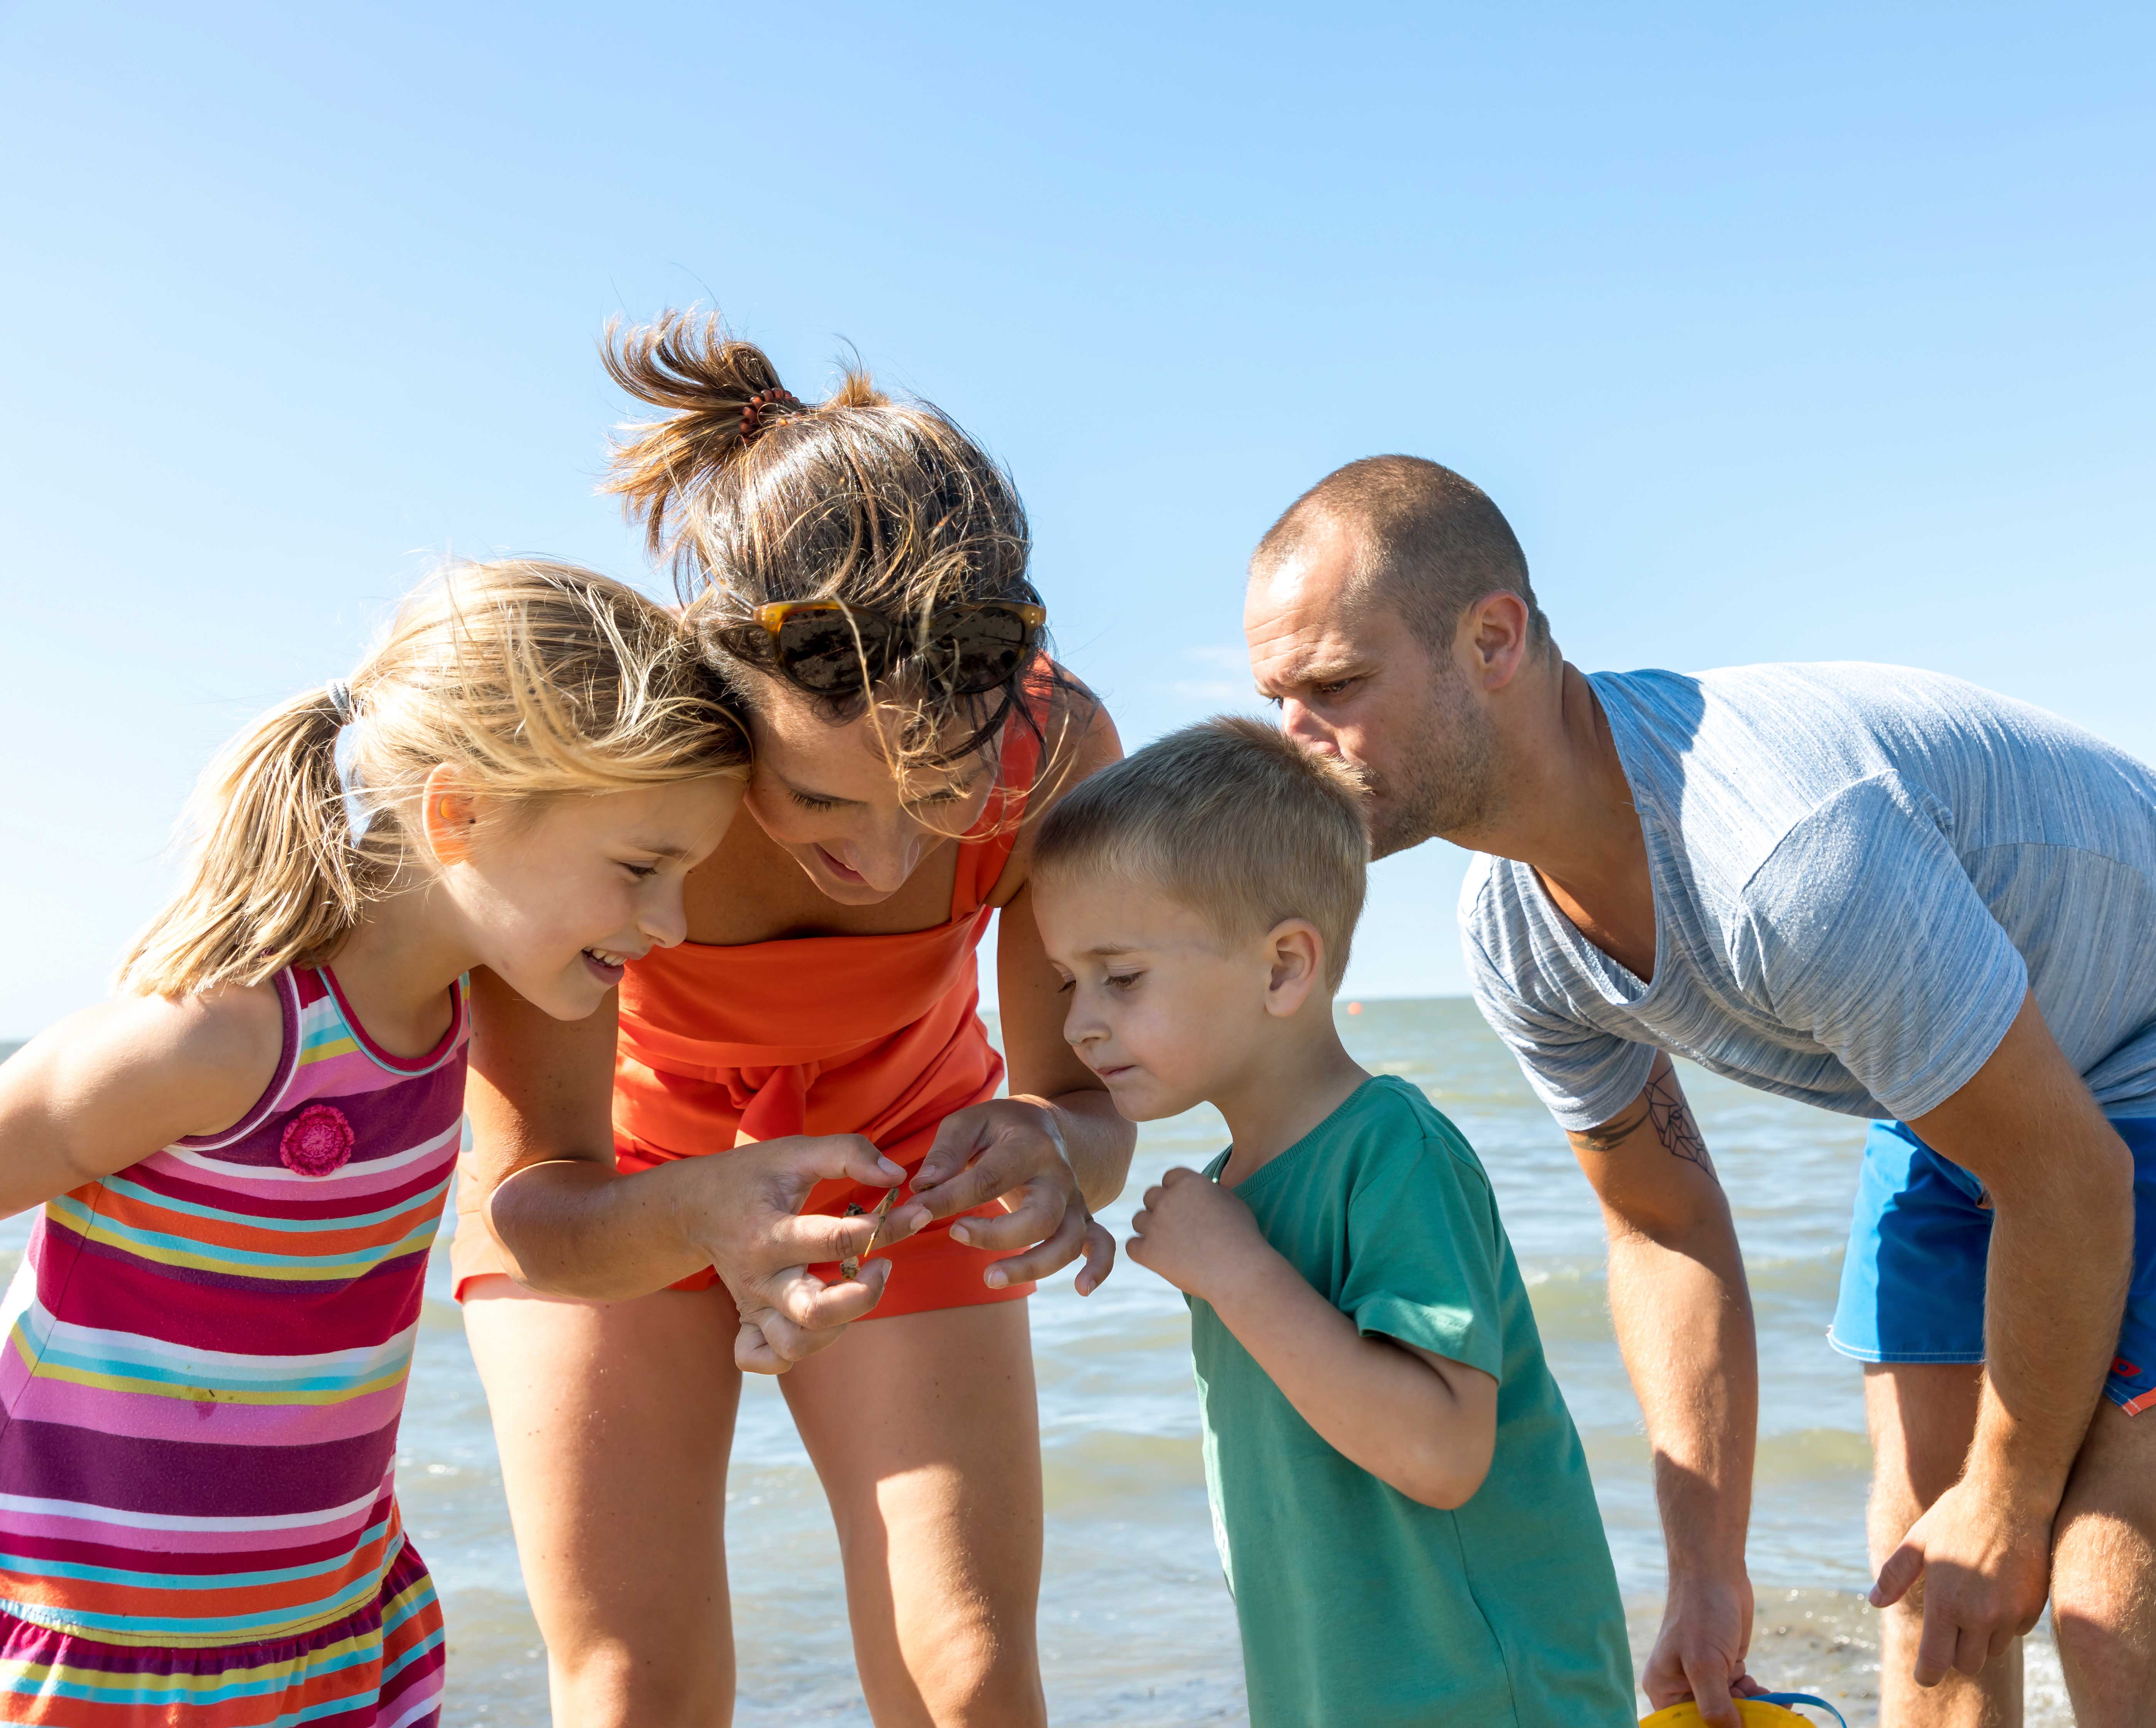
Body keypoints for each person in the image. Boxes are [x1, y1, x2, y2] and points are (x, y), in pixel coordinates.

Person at [1242, 456, 2156, 1728]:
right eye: (1278, 697)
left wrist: (2011, 1492)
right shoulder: (1516, 931)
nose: (1298, 740)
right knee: (1924, 1585)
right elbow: (1662, 1228)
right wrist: (1707, 1569)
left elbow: (2066, 1177)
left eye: (1335, 686)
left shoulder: (1788, 857)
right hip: (1970, 1080)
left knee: (2105, 1597)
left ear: (1494, 638)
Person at [451, 313, 1133, 1727]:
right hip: (613, 1183)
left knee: (971, 1677)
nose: (886, 860)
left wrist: (1059, 1154)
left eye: (937, 798)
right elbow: (528, 1201)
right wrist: (700, 1215)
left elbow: (1082, 1108)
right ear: (723, 701)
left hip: (903, 1155)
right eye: (823, 801)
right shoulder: (615, 770)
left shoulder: (1059, 749)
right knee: (636, 1686)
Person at [0, 561, 750, 1728]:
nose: (672, 925)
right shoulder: (214, 1038)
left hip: (326, 1627)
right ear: (459, 814)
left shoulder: (454, 1024)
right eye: (642, 869)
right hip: (113, 1651)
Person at [1028, 717, 1637, 1728]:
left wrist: (1240, 1276)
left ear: (1282, 970)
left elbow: (1442, 1454)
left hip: (1490, 1697)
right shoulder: (1234, 1188)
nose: (1080, 1022)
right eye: (1067, 982)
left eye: (1121, 976)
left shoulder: (1390, 1149)